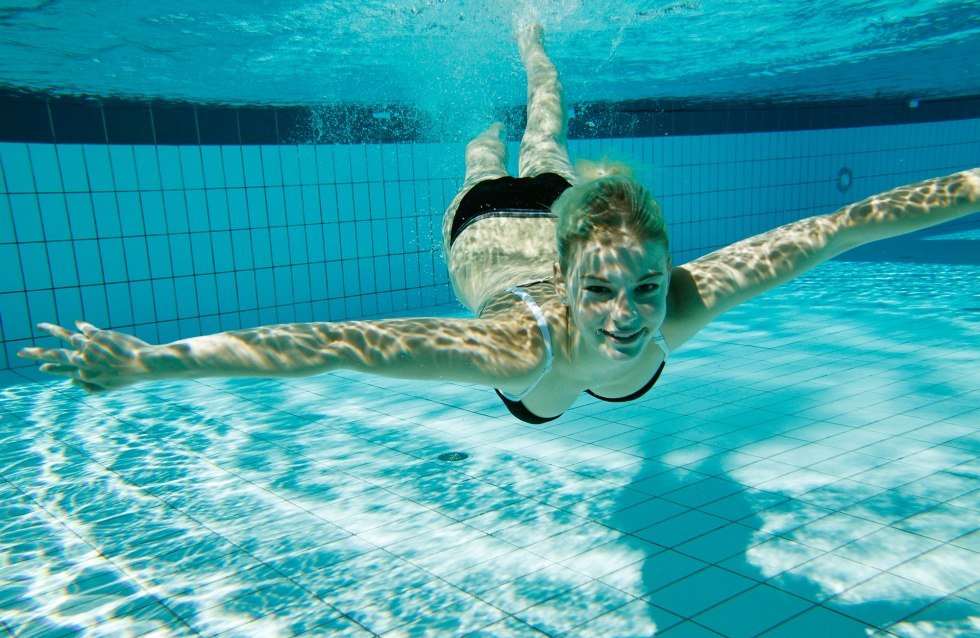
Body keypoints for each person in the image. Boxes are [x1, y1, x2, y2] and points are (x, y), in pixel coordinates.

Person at [17, 26, 980, 424]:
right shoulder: (518, 347)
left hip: (533, 223)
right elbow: (323, 347)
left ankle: (527, 40)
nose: (629, 314)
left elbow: (841, 225)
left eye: (644, 284)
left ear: (666, 267)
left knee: (546, 116)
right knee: (485, 161)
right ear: (571, 269)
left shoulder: (680, 293)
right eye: (601, 287)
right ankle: (489, 100)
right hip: (487, 237)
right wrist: (153, 363)